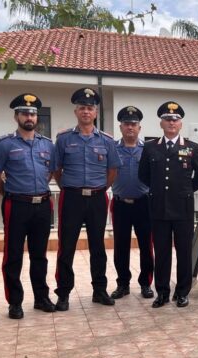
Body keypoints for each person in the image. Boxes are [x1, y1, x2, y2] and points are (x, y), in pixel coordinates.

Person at [52, 87, 121, 311]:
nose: (85, 111)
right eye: (82, 108)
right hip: (71, 198)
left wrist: (101, 188)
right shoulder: (63, 139)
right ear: (76, 112)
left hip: (97, 198)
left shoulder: (108, 141)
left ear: (95, 112)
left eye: (89, 108)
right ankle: (63, 293)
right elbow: (56, 170)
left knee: (98, 247)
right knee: (67, 246)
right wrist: (68, 188)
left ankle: (99, 290)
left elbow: (112, 171)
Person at [0, 93, 57, 319]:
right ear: (16, 116)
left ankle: (41, 298)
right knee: (13, 255)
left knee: (40, 255)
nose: (29, 116)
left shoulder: (48, 145)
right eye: (24, 113)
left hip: (41, 205)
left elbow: (49, 172)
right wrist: (11, 194)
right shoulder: (4, 144)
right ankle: (15, 302)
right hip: (16, 205)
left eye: (32, 113)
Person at [139, 101, 198, 308]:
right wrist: (158, 190)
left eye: (175, 119)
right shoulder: (151, 147)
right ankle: (162, 292)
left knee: (184, 252)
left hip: (183, 209)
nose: (171, 122)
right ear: (161, 123)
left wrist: (185, 191)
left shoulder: (192, 148)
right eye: (167, 119)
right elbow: (143, 175)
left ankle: (182, 292)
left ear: (181, 124)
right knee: (161, 253)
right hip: (158, 209)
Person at [109, 106, 155, 300]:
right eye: (126, 124)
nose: (130, 127)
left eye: (134, 124)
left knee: (146, 245)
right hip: (120, 204)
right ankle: (123, 284)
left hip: (144, 204)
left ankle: (146, 283)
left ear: (139, 128)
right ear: (120, 127)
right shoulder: (112, 149)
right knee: (121, 246)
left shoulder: (148, 150)